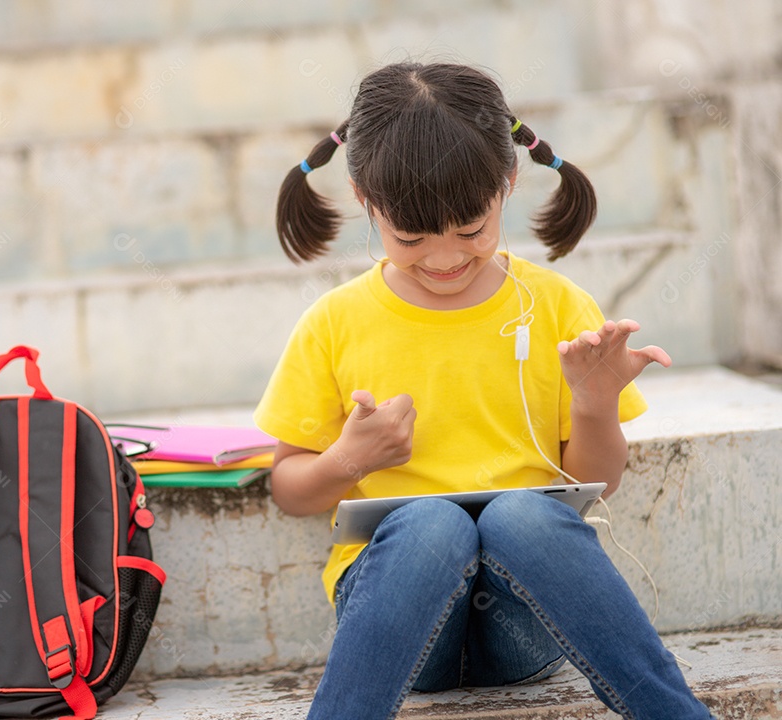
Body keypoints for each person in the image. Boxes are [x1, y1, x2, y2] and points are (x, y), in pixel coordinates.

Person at [253, 62, 714, 720]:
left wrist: (594, 405)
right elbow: (288, 487)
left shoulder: (555, 307)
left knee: (521, 515)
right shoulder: (335, 323)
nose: (444, 257)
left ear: (508, 183)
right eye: (411, 238)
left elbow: (596, 481)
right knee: (428, 522)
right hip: (405, 623)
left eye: (471, 231)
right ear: (363, 199)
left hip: (525, 620)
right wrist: (348, 461)